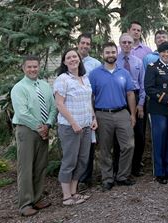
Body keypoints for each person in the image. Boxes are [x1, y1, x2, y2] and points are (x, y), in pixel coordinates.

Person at [11, 55, 57, 216]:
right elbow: (22, 114)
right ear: (23, 68)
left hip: (43, 131)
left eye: (35, 66)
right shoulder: (19, 88)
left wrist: (48, 124)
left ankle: (37, 198)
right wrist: (40, 128)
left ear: (39, 67)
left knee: (40, 165)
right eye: (29, 67)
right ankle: (25, 204)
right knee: (26, 167)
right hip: (27, 131)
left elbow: (52, 107)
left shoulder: (44, 85)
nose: (32, 69)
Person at [89, 42, 137, 191]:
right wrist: (93, 116)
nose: (110, 55)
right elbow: (90, 96)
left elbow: (130, 94)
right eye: (107, 52)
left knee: (129, 145)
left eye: (113, 52)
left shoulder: (124, 72)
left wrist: (133, 114)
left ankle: (122, 176)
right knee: (105, 149)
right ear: (103, 54)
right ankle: (107, 179)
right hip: (103, 114)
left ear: (117, 53)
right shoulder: (94, 74)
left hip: (122, 113)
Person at [54, 49, 98, 205]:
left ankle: (74, 192)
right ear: (65, 62)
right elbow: (59, 104)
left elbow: (88, 101)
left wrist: (93, 117)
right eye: (68, 57)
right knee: (70, 160)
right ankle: (66, 197)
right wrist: (73, 123)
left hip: (86, 126)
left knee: (82, 160)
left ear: (79, 59)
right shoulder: (62, 79)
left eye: (75, 56)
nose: (72, 59)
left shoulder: (84, 78)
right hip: (70, 127)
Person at [144, 42, 168, 184]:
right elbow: (149, 88)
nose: (167, 55)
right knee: (159, 141)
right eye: (164, 52)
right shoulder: (152, 67)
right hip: (159, 109)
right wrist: (166, 99)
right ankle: (160, 172)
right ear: (159, 53)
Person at [117, 33, 146, 177]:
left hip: (135, 97)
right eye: (124, 42)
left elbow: (143, 85)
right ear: (120, 44)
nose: (127, 44)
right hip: (119, 99)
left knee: (139, 136)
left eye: (129, 42)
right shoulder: (114, 61)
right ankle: (120, 168)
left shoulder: (138, 62)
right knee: (120, 136)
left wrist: (140, 104)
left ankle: (136, 167)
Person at [76, 33, 102, 189]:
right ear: (78, 43)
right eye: (82, 43)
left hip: (90, 106)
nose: (85, 46)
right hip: (73, 108)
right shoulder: (70, 60)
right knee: (75, 143)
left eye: (88, 44)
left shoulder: (95, 64)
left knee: (89, 143)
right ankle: (74, 177)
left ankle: (85, 178)